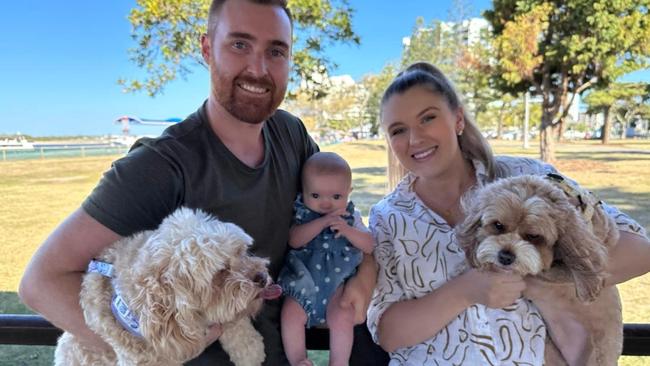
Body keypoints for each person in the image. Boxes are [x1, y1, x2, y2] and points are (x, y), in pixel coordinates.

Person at [18, 1, 382, 364]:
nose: (258, 68)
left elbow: (341, 216)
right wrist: (155, 352)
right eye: (239, 44)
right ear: (207, 48)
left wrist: (364, 278)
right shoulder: (159, 166)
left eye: (276, 50)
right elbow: (42, 282)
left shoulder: (291, 135)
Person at [366, 61, 650, 365]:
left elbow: (639, 251)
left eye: (428, 118)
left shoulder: (528, 177)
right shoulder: (388, 217)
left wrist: (534, 279)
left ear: (458, 119)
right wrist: (465, 291)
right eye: (398, 130)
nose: (415, 139)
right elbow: (387, 332)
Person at [278, 152, 375, 366]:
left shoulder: (351, 217)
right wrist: (321, 224)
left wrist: (348, 230)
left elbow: (369, 245)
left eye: (336, 197)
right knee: (290, 314)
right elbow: (294, 240)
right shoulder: (302, 214)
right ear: (302, 192)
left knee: (343, 316)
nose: (326, 204)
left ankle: (339, 362)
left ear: (349, 193)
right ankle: (299, 359)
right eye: (315, 196)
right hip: (304, 281)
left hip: (337, 283)